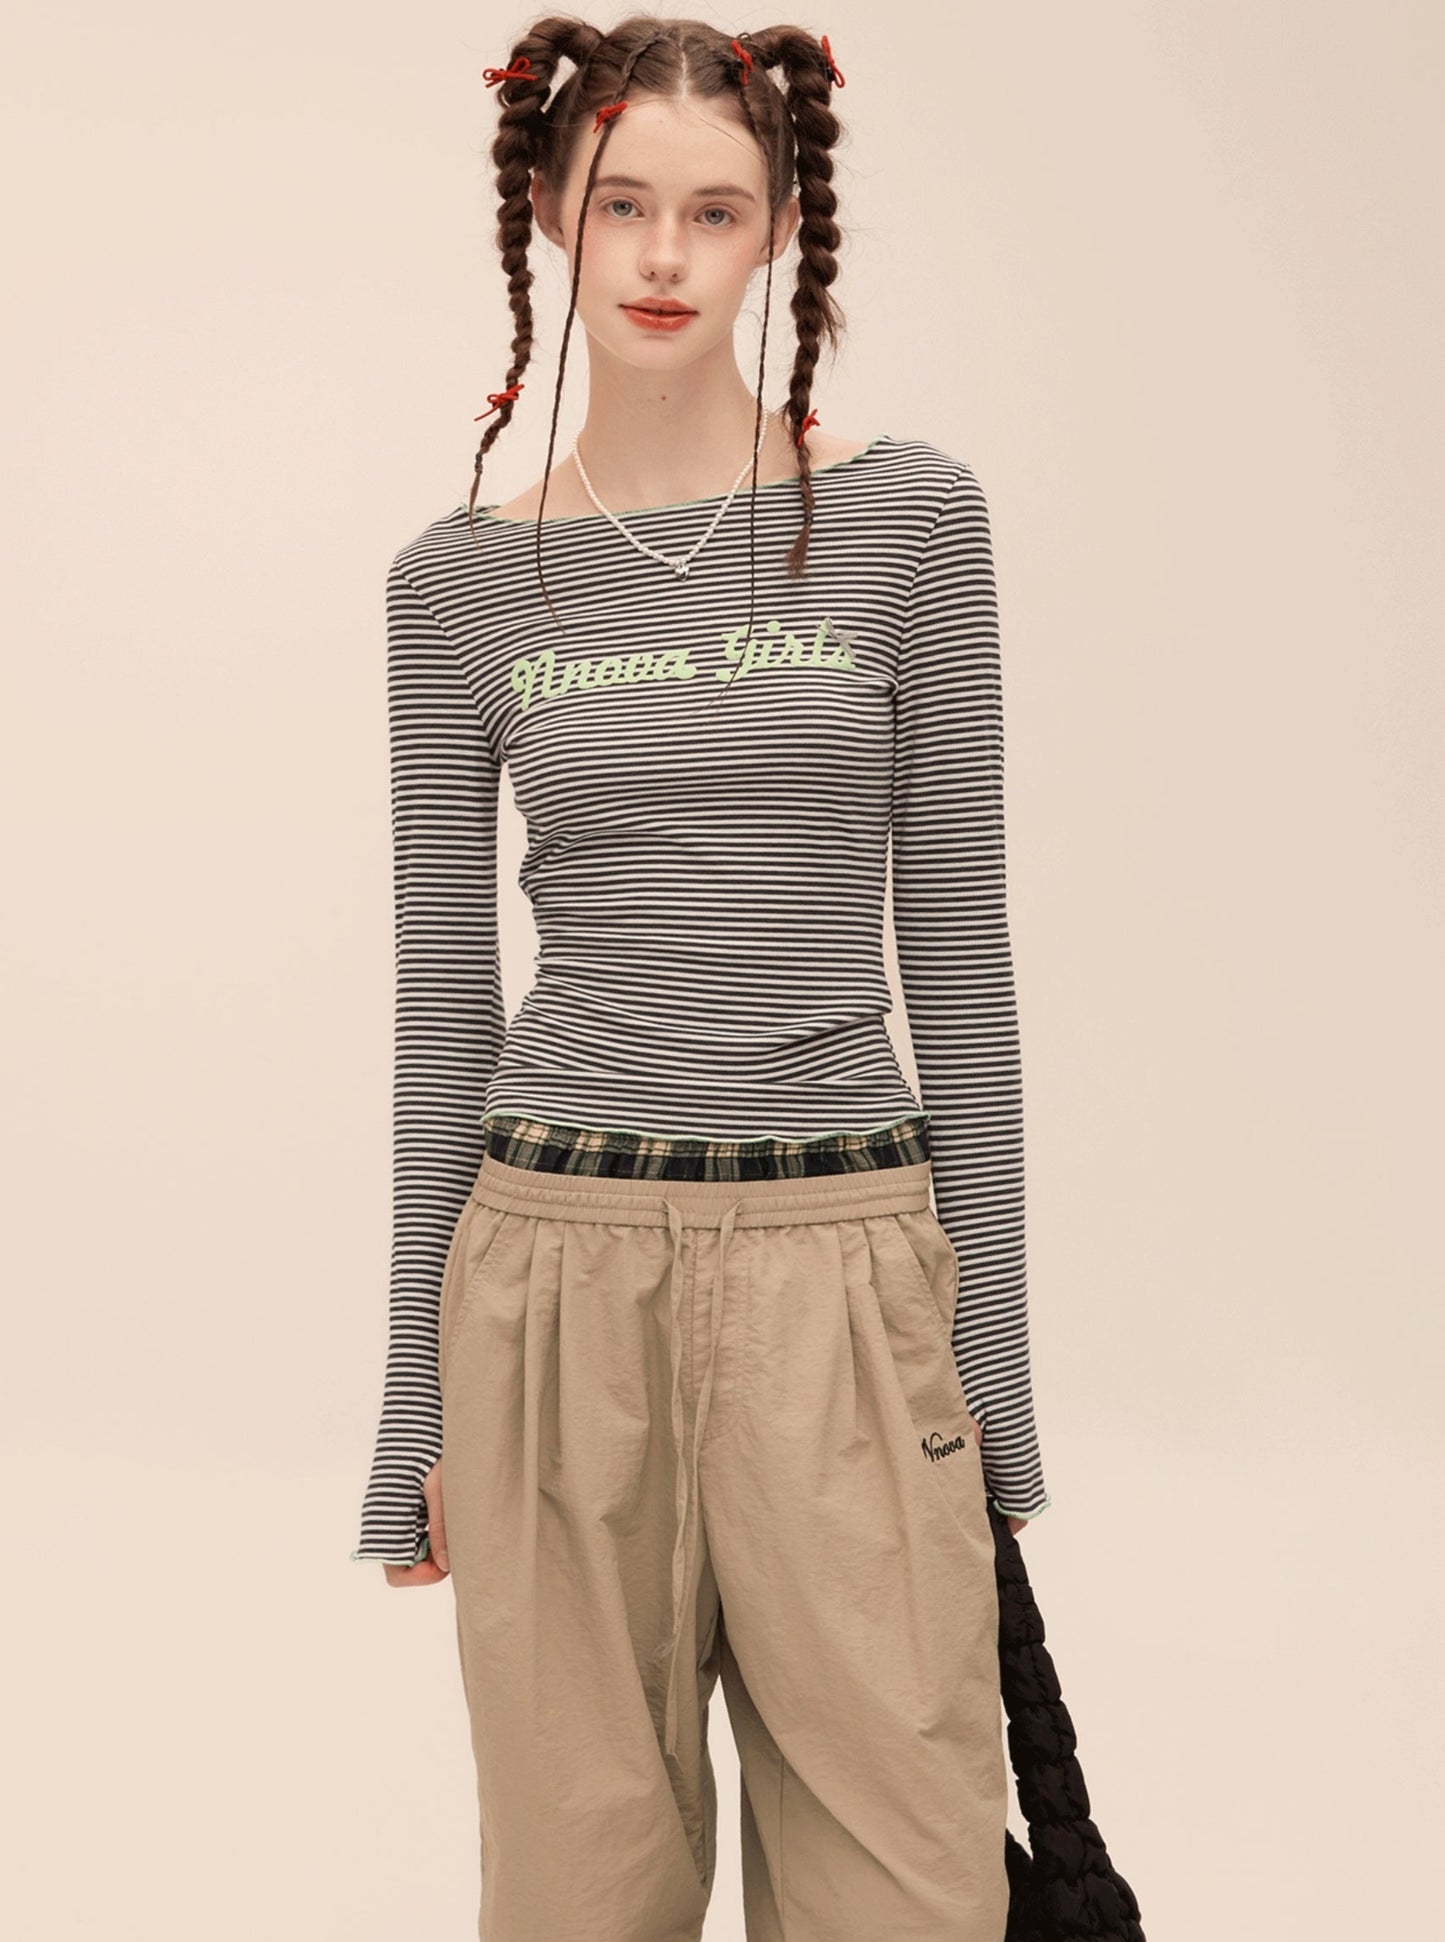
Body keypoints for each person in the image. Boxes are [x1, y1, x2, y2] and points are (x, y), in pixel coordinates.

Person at [352, 15, 1051, 1939]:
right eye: (622, 205)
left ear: (780, 230)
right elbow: (441, 1004)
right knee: (579, 1891)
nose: (664, 256)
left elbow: (961, 962)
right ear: (549, 213)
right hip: (551, 1278)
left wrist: (991, 1369)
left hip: (844, 1276)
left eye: (715, 212)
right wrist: (411, 1408)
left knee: (908, 1886)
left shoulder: (908, 520)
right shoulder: (452, 584)